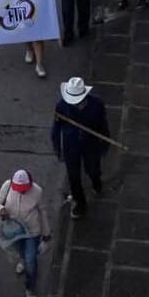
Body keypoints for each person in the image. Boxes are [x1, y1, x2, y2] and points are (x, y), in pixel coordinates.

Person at [54, 77, 109, 218]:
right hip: (70, 146)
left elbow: (103, 125)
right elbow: (56, 128)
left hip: (91, 145)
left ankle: (96, 182)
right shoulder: (61, 106)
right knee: (73, 177)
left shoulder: (97, 104)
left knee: (93, 170)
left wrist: (105, 143)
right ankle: (80, 203)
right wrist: (57, 147)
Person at [0, 169, 51, 297]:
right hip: (13, 230)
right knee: (20, 252)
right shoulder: (7, 186)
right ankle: (22, 260)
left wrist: (46, 233)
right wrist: (1, 209)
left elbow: (42, 212)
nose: (21, 191)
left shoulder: (37, 191)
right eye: (18, 189)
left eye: (24, 189)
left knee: (31, 260)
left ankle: (30, 288)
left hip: (32, 230)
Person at [6, 0, 49, 78]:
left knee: (38, 39)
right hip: (21, 13)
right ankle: (29, 50)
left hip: (37, 13)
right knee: (26, 35)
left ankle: (39, 65)